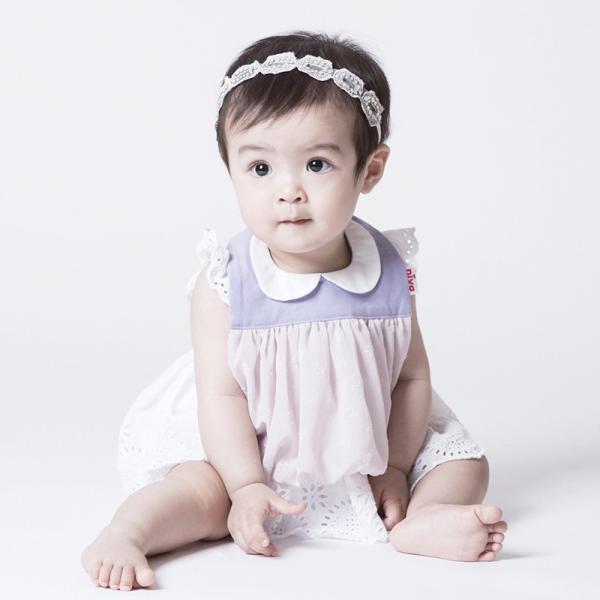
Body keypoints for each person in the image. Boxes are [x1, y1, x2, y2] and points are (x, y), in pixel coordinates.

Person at [81, 30, 508, 592]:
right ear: (231, 169)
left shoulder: (388, 267)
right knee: (198, 492)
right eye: (260, 169)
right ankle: (127, 532)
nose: (289, 191)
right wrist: (244, 486)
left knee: (464, 463)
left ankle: (423, 519)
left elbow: (410, 378)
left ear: (369, 170)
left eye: (317, 164)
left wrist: (397, 467)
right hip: (247, 446)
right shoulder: (227, 280)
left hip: (370, 436)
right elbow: (222, 396)